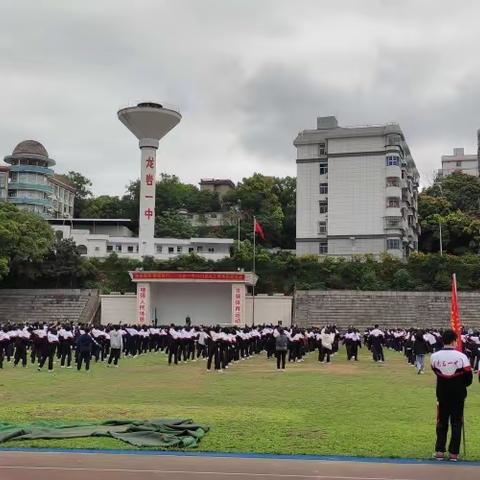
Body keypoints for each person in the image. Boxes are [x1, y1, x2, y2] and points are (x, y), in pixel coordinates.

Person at [430, 329, 473, 462]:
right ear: (455, 340)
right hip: (458, 395)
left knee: (441, 422)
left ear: (443, 340)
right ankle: (454, 453)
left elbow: (436, 372)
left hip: (442, 394)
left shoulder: (434, 357)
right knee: (456, 422)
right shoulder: (461, 357)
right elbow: (468, 378)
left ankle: (439, 451)